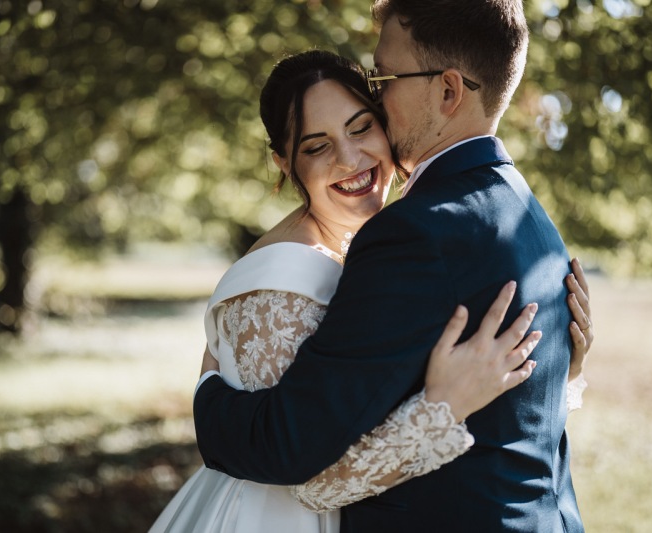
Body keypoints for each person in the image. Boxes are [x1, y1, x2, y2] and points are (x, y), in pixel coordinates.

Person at [150, 48, 591, 532]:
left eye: (361, 128)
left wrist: (558, 365)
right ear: (284, 162)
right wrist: (441, 410)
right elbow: (307, 481)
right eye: (316, 147)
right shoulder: (276, 287)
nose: (350, 159)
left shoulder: (379, 250)